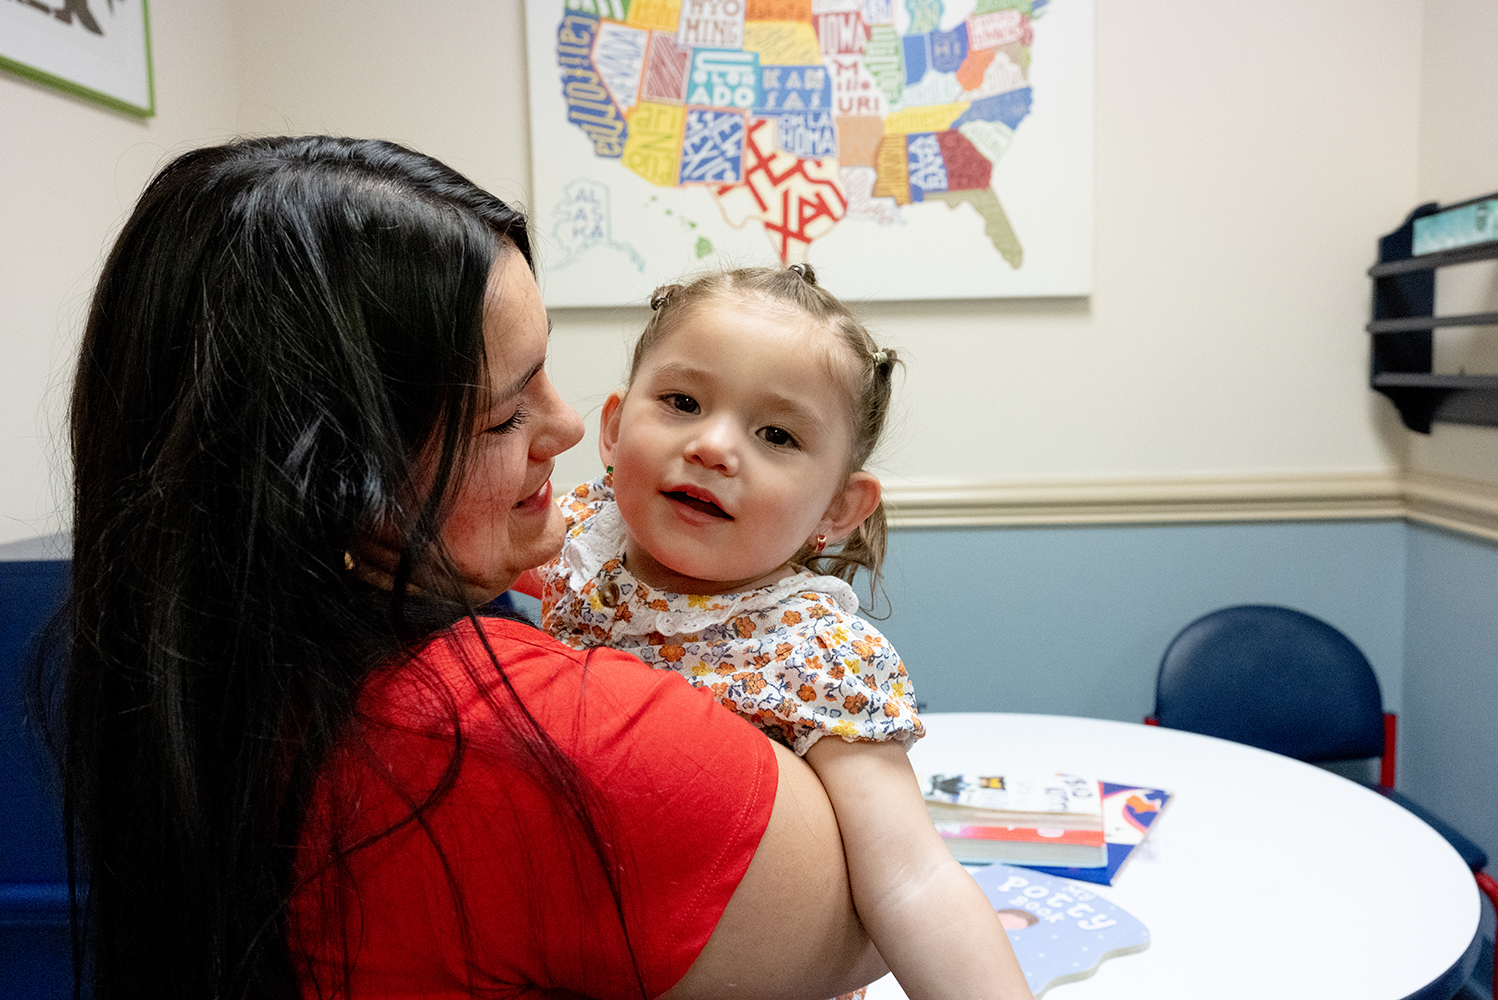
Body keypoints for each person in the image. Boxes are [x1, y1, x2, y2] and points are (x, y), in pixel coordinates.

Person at [37, 136, 889, 1000]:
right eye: (506, 413)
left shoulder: (201, 665)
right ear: (335, 472)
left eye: (545, 370)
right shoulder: (544, 743)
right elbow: (871, 919)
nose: (565, 429)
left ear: (838, 507)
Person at [519, 266, 1032, 999]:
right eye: (682, 402)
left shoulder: (813, 654)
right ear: (612, 426)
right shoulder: (586, 534)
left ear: (837, 509)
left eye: (778, 435)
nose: (714, 447)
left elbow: (914, 879)